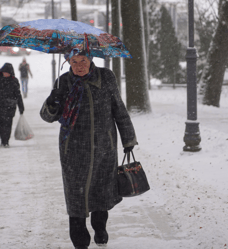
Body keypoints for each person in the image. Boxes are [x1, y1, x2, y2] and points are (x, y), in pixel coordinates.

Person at [40, 48, 138, 249]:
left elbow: (118, 109)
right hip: (73, 151)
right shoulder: (63, 82)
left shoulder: (106, 77)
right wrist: (53, 100)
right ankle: (80, 241)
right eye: (74, 62)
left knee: (101, 192)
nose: (79, 66)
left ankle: (100, 228)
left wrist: (128, 140)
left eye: (83, 60)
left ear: (91, 59)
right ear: (68, 62)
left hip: (104, 148)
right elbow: (47, 116)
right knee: (76, 196)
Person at [0, 63, 24, 147]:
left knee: (8, 125)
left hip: (10, 107)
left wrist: (21, 106)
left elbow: (18, 95)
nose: (6, 74)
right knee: (0, 125)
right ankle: (3, 140)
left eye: (8, 72)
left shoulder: (14, 81)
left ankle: (6, 141)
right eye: (4, 72)